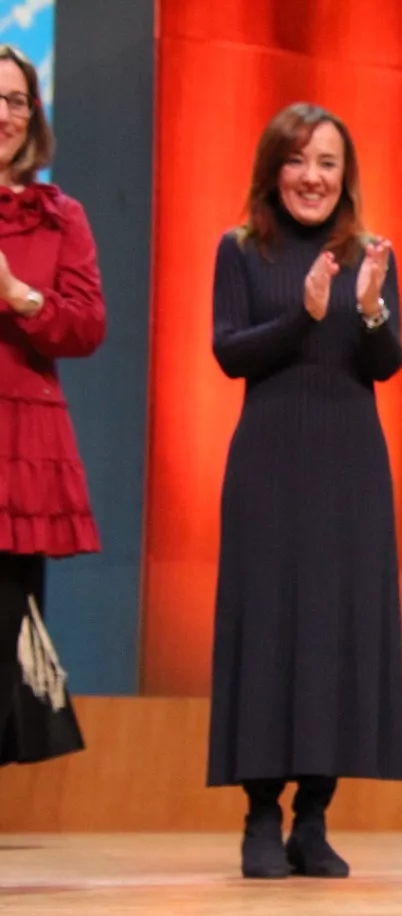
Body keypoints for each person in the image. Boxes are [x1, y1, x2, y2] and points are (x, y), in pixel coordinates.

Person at [207, 103, 402, 880]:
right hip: (268, 463)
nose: (313, 177)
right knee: (269, 625)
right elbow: (230, 352)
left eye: (327, 162)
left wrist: (368, 308)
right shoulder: (241, 250)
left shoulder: (367, 253)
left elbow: (384, 362)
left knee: (336, 630)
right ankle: (260, 813)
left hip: (350, 464)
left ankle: (313, 817)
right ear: (273, 170)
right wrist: (305, 313)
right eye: (298, 160)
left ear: (344, 176)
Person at [0, 44, 101, 768]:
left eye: (15, 100)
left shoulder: (60, 216)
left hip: (19, 446)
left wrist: (18, 296)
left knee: (5, 629)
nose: (4, 114)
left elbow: (86, 324)